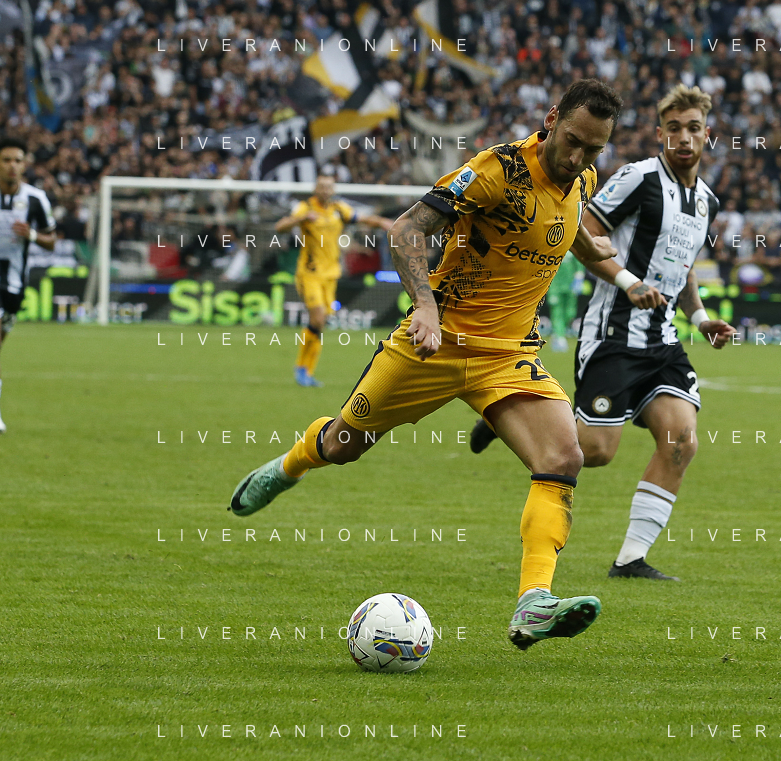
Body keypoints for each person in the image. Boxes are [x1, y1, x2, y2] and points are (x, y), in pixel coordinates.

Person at [227, 79, 623, 651]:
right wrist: (427, 308)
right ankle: (290, 466)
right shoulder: (497, 171)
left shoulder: (582, 177)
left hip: (509, 353)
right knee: (343, 445)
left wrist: (591, 250)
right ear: (551, 119)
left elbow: (568, 218)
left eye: (594, 148)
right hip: (434, 342)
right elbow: (407, 228)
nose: (580, 156)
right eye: (574, 141)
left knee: (563, 457)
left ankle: (533, 603)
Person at [472, 84, 735, 581]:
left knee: (681, 440)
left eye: (693, 128)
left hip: (662, 341)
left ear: (707, 135)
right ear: (660, 133)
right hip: (613, 331)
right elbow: (583, 230)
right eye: (673, 128)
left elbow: (682, 268)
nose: (683, 137)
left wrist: (701, 318)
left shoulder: (706, 202)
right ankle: (512, 414)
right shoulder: (638, 178)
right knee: (594, 451)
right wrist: (629, 282)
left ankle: (630, 560)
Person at [0, 138, 57, 433]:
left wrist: (32, 235)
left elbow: (52, 240)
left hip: (17, 282)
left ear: (24, 164)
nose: (12, 166)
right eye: (6, 160)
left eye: (17, 160)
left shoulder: (36, 199)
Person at [274, 172, 393, 387]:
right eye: (322, 186)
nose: (325, 190)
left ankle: (306, 370)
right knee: (318, 318)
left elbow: (362, 219)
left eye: (329, 187)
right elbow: (280, 227)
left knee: (319, 323)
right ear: (315, 189)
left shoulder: (339, 209)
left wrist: (383, 222)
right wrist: (301, 219)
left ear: (333, 190)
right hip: (309, 273)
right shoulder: (305, 208)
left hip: (331, 274)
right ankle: (301, 368)